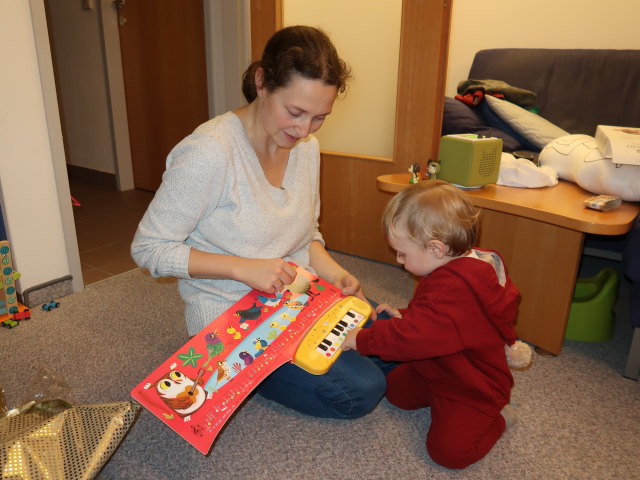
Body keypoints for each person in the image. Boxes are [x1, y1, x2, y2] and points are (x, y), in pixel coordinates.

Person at [131, 26, 385, 419]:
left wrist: (336, 275)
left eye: (319, 117)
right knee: (361, 389)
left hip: (295, 297)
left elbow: (305, 236)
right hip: (231, 318)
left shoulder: (307, 148)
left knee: (387, 332)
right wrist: (243, 268)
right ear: (262, 81)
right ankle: (249, 376)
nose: (303, 130)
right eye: (295, 112)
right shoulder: (210, 152)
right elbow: (148, 248)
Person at [342, 180, 521, 469]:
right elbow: (434, 321)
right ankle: (437, 398)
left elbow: (415, 336)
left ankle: (500, 417)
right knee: (396, 393)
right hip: (437, 365)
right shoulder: (454, 269)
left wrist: (362, 339)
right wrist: (406, 315)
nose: (399, 261)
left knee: (449, 454)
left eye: (402, 254)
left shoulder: (455, 291)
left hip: (470, 384)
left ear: (436, 249)